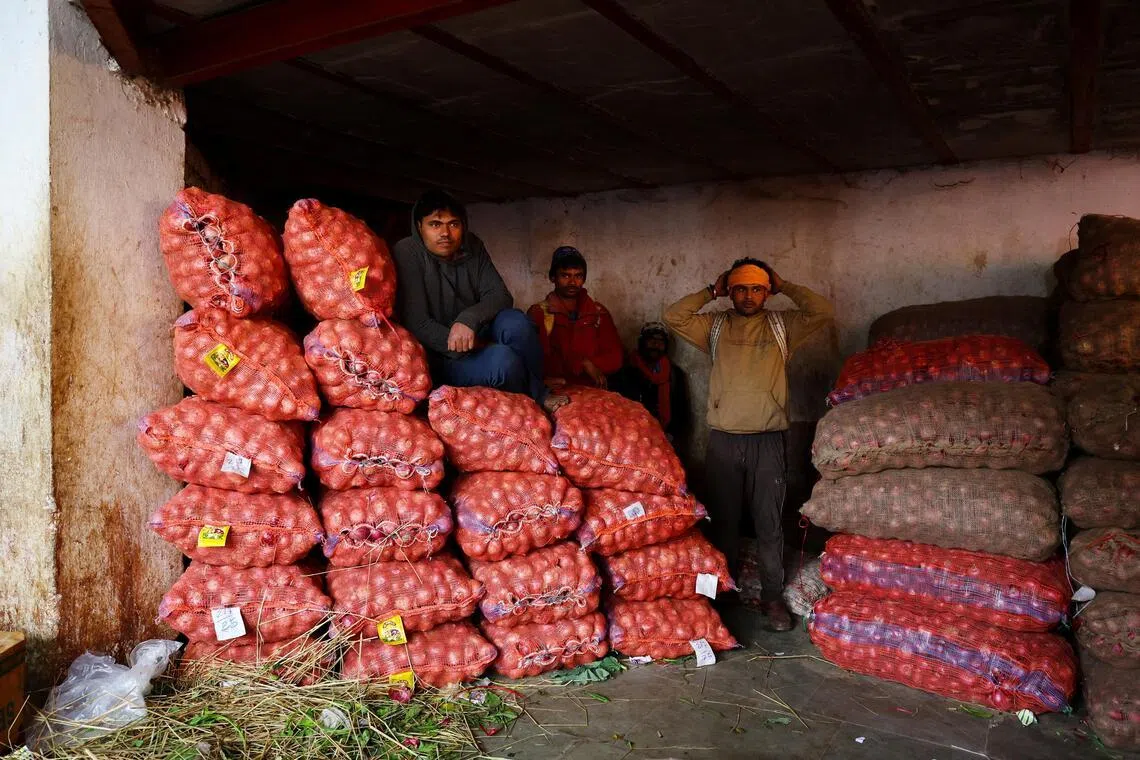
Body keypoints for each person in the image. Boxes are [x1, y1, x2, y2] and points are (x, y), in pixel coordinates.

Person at [663, 258, 834, 631]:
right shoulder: (715, 325)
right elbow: (674, 316)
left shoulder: (781, 325)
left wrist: (784, 283)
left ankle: (771, 599)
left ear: (766, 291)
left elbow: (821, 310)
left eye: (757, 288)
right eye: (740, 288)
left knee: (769, 523)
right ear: (729, 290)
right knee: (723, 523)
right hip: (723, 440)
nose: (748, 296)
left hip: (768, 441)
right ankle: (722, 595)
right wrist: (711, 291)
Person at [393, 190, 566, 410]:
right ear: (419, 227)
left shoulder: (472, 245)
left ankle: (536, 388)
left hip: (476, 334)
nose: (445, 233)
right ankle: (533, 395)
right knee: (503, 360)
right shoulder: (408, 252)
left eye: (453, 224)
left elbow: (500, 295)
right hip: (443, 356)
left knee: (516, 323)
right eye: (435, 224)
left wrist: (468, 319)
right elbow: (417, 323)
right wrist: (470, 346)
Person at [526, 246, 624, 389]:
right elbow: (538, 362)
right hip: (555, 391)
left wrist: (588, 364)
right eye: (565, 275)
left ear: (584, 279)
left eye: (578, 276)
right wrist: (582, 363)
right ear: (552, 277)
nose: (572, 282)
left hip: (594, 392)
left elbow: (616, 359)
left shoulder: (598, 313)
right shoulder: (540, 313)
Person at [613, 322, 690, 445]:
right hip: (632, 438)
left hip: (665, 437)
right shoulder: (627, 371)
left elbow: (681, 410)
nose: (656, 346)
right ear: (642, 343)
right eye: (651, 341)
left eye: (660, 343)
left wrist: (672, 435)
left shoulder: (674, 374)